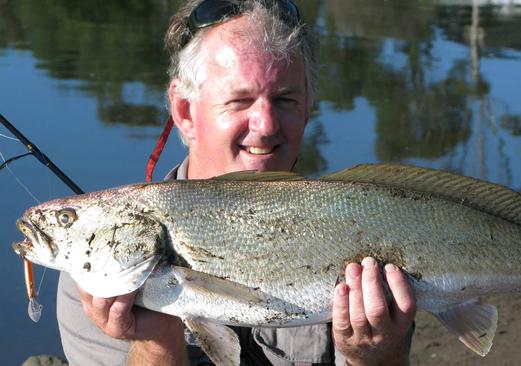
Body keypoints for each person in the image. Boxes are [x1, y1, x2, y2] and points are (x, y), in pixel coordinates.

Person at [57, 1, 417, 365]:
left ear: (308, 105)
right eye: (239, 101)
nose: (266, 124)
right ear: (184, 112)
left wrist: (373, 356)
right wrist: (156, 344)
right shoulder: (97, 266)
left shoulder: (367, 230)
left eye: (284, 99)